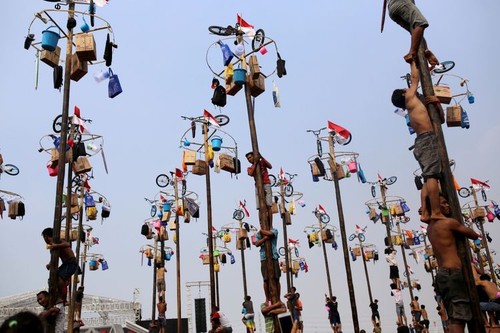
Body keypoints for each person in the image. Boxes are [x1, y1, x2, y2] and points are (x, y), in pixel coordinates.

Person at [391, 59, 445, 223]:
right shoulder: (410, 98)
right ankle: (435, 211)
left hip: (421, 141)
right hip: (426, 140)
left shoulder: (414, 105)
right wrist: (413, 61)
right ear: (403, 94)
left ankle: (426, 212)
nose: (408, 89)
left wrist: (436, 103)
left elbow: (440, 120)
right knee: (432, 177)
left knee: (428, 177)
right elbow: (415, 78)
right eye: (405, 89)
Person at [426, 193, 479, 333]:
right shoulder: (449, 223)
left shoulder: (430, 228)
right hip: (453, 274)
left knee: (453, 315)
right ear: (435, 207)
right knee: (458, 317)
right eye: (442, 203)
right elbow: (474, 235)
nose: (447, 205)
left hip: (443, 275)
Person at [387, 0, 439, 65]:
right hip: (400, 2)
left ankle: (425, 51)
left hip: (392, 9)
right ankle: (412, 53)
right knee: (420, 22)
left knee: (416, 32)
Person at [41, 227, 78, 303]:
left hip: (71, 263)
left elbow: (67, 244)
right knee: (52, 279)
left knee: (59, 279)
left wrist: (56, 246)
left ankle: (62, 298)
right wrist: (49, 264)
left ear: (46, 236)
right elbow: (54, 258)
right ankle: (56, 296)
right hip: (66, 264)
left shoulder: (57, 241)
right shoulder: (52, 246)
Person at [255, 226, 281, 303]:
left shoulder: (274, 230)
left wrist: (263, 231)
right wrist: (264, 238)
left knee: (276, 278)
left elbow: (271, 234)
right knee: (265, 279)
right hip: (263, 258)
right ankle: (267, 298)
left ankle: (278, 298)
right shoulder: (258, 234)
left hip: (274, 256)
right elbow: (256, 243)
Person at [246, 152, 273, 224]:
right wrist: (255, 163)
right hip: (258, 186)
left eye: (250, 157)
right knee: (260, 208)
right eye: (248, 158)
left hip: (266, 184)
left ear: (254, 157)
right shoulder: (250, 168)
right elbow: (251, 173)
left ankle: (270, 225)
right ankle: (262, 225)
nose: (249, 159)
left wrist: (261, 157)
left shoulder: (262, 162)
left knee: (268, 206)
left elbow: (270, 166)